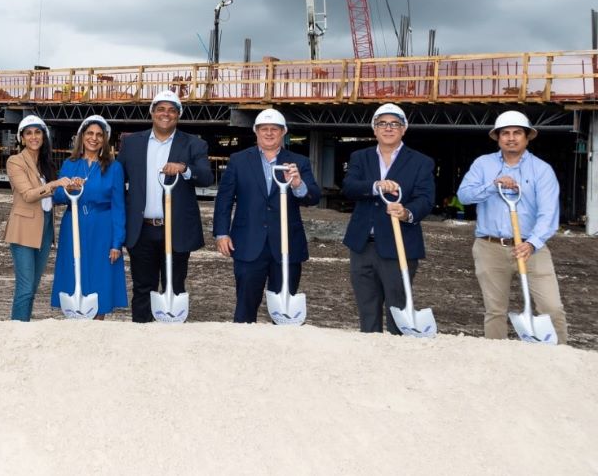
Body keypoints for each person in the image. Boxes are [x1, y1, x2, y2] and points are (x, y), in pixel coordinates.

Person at [457, 110, 569, 344]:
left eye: (517, 132)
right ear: (497, 138)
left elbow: (548, 213)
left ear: (527, 137)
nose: (511, 138)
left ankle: (561, 358)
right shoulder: (483, 164)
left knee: (552, 307)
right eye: (505, 133)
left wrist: (531, 243)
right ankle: (498, 362)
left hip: (532, 248)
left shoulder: (542, 170)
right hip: (490, 247)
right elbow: (464, 195)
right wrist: (492, 185)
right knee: (495, 311)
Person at [213, 109, 320, 323]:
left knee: (283, 309)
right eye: (264, 129)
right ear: (256, 132)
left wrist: (298, 184)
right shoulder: (239, 160)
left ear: (284, 133)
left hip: (287, 245)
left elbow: (313, 197)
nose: (269, 133)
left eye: (274, 129)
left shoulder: (299, 162)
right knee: (245, 307)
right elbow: (224, 200)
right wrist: (221, 233)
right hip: (248, 243)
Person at [118, 90, 214, 322]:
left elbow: (206, 177)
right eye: (160, 109)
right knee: (143, 287)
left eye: (172, 110)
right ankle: (142, 334)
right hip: (142, 229)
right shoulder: (131, 143)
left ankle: (171, 336)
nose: (166, 114)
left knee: (175, 286)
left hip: (176, 228)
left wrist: (185, 169)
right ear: (152, 112)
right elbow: (117, 180)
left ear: (178, 115)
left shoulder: (194, 144)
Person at [341, 103, 435, 334]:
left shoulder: (421, 162)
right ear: (374, 129)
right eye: (382, 123)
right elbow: (349, 187)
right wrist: (375, 186)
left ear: (404, 129)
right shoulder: (359, 157)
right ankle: (370, 354)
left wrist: (406, 212)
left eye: (395, 124)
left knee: (398, 308)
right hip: (362, 245)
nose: (388, 128)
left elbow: (426, 198)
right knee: (367, 308)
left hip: (399, 243)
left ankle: (396, 357)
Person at [50, 115, 128, 318]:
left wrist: (116, 243)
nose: (94, 138)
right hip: (73, 225)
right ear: (82, 136)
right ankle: (74, 317)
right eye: (90, 133)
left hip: (102, 228)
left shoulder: (114, 167)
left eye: (99, 135)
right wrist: (68, 186)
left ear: (105, 139)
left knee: (99, 279)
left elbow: (119, 206)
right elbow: (58, 197)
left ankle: (97, 325)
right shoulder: (70, 164)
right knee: (74, 272)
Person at [3, 115, 66, 321]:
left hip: (45, 229)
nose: (33, 137)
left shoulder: (46, 164)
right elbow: (29, 195)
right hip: (23, 230)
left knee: (33, 286)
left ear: (44, 136)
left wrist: (68, 187)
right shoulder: (15, 161)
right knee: (25, 286)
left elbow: (49, 199)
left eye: (37, 132)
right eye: (28, 133)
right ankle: (17, 328)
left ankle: (24, 324)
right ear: (21, 137)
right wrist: (55, 184)